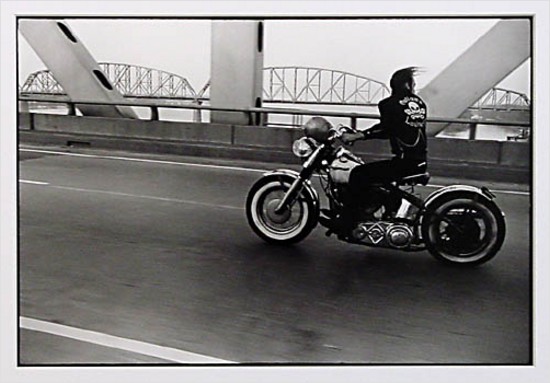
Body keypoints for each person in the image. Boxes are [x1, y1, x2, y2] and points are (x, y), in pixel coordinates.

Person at [333, 67, 429, 234]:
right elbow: (399, 128)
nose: (414, 85)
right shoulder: (419, 103)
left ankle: (348, 222)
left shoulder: (389, 104)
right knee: (379, 178)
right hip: (419, 160)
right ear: (407, 84)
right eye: (413, 82)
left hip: (404, 163)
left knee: (358, 174)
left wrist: (358, 136)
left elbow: (386, 129)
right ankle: (387, 209)